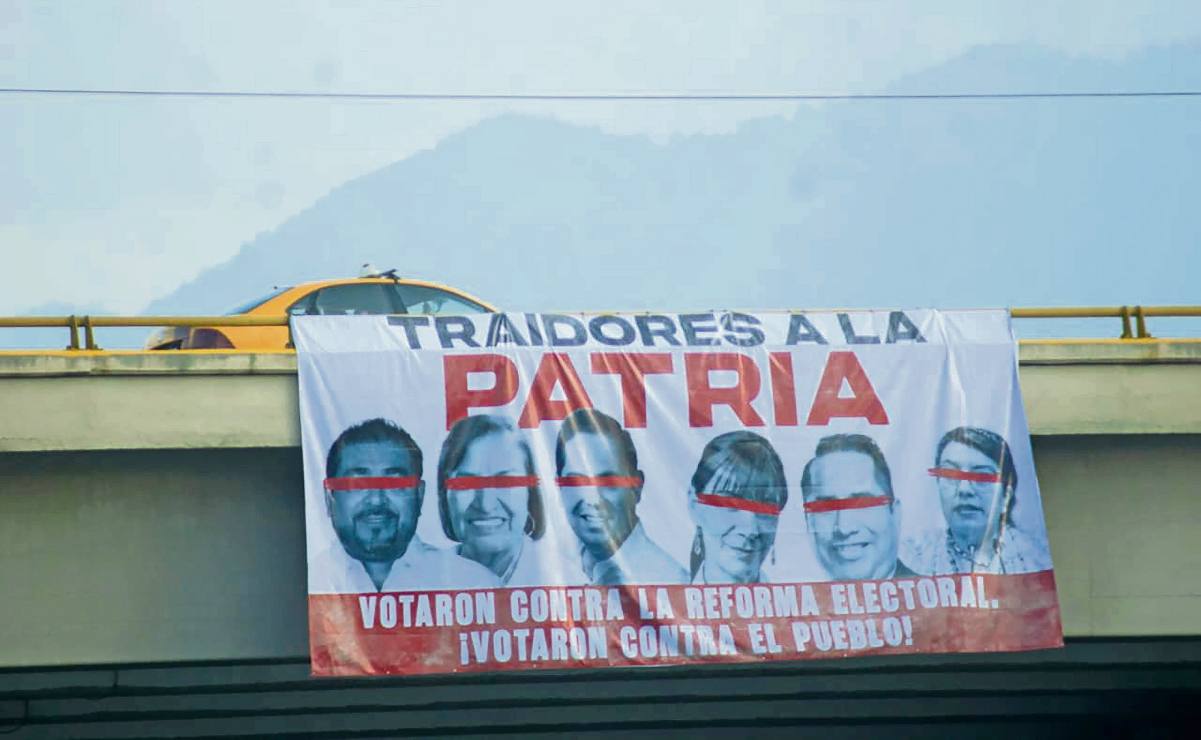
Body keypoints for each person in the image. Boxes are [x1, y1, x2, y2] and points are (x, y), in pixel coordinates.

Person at [310, 418, 499, 593]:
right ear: (329, 497)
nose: (376, 500)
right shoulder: (310, 581)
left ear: (420, 495)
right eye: (358, 484)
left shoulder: (474, 584)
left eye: (395, 483)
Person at [555, 408, 687, 585]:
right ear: (558, 488)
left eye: (608, 482)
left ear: (637, 488)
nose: (593, 500)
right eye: (577, 481)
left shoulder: (673, 583)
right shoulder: (550, 567)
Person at [905, 426, 1052, 575]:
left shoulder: (1040, 558)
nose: (964, 490)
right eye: (951, 475)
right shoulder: (912, 559)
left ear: (1006, 495)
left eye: (982, 477)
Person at [437, 414, 556, 586]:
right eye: (466, 483)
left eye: (505, 482)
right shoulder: (422, 579)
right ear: (444, 495)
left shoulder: (565, 579)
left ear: (530, 494)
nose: (485, 504)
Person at [799, 434, 916, 580]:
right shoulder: (799, 601)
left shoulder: (937, 601)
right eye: (826, 507)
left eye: (862, 503)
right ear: (808, 521)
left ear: (895, 514)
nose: (844, 528)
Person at [686, 431, 788, 584]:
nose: (750, 529)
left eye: (766, 505)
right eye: (730, 502)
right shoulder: (662, 604)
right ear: (694, 504)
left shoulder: (808, 605)